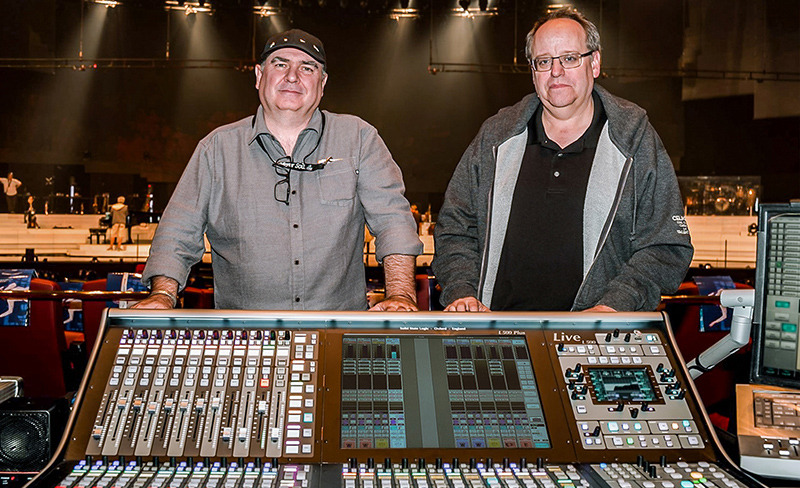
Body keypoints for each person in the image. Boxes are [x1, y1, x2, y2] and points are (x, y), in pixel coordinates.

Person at [136, 29, 422, 311]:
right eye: (281, 64)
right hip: (246, 339)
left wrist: (401, 294)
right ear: (259, 76)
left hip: (338, 333)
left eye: (307, 68)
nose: (292, 77)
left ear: (322, 84)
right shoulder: (216, 149)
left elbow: (392, 220)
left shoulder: (359, 138)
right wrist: (163, 294)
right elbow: (177, 231)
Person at [432, 8, 693, 313]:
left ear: (594, 63)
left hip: (594, 340)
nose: (556, 72)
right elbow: (454, 227)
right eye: (544, 61)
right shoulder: (495, 137)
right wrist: (461, 291)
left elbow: (665, 246)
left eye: (570, 58)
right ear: (533, 71)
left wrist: (613, 306)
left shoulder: (634, 139)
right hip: (501, 336)